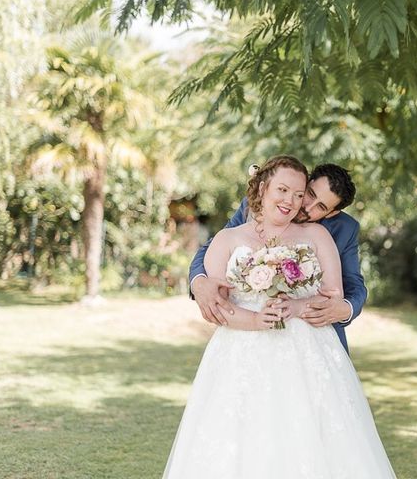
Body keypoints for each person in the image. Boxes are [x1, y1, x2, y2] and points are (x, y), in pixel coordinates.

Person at [162, 155, 396, 478]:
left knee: (314, 435)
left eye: (315, 205)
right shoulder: (249, 213)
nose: (301, 205)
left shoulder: (330, 233)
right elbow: (212, 252)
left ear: (333, 213)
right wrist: (200, 283)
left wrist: (341, 308)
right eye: (305, 193)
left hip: (308, 345)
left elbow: (348, 286)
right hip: (241, 348)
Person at [189, 161, 367, 353]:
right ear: (305, 183)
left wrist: (346, 309)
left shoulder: (341, 230)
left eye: (321, 206)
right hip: (246, 335)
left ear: (332, 213)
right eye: (309, 194)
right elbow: (216, 244)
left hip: (311, 339)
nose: (306, 206)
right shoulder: (255, 205)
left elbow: (353, 284)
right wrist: (198, 282)